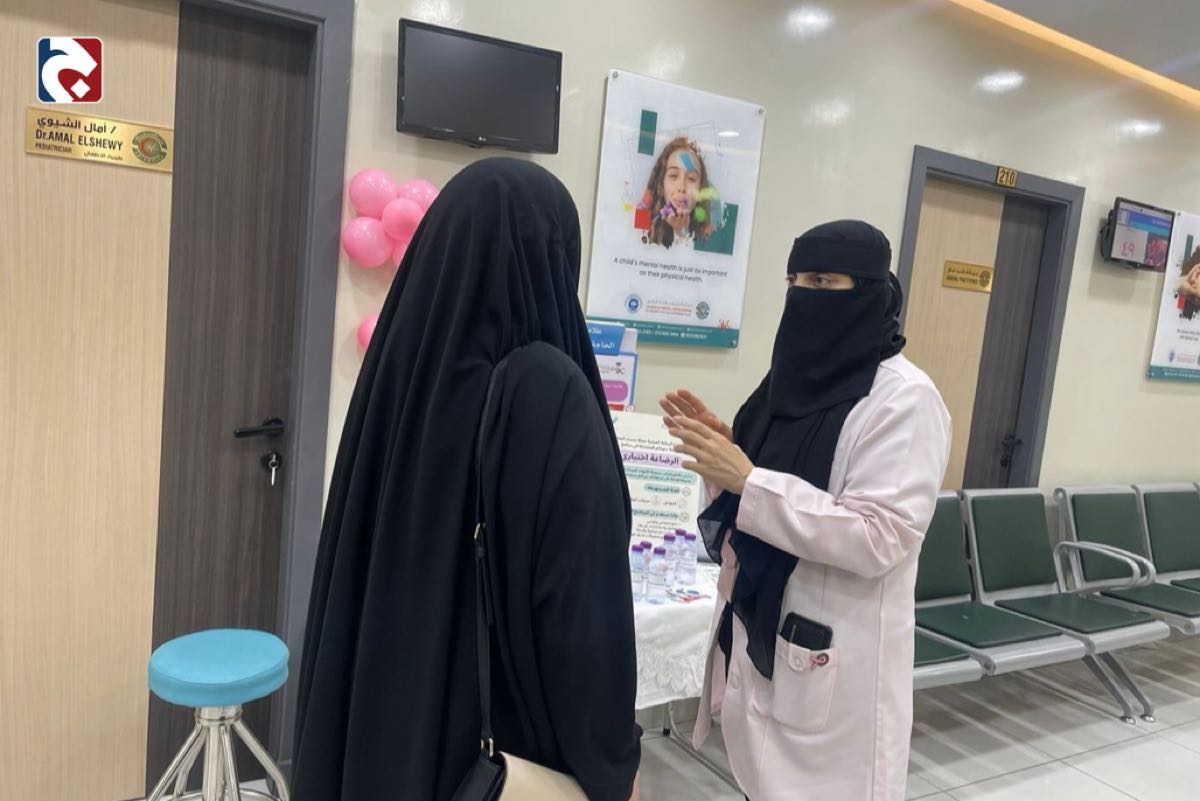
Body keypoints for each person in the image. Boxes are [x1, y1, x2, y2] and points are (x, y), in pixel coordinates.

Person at [293, 159, 641, 801]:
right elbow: (582, 625)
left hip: (384, 732)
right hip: (492, 764)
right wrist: (614, 768)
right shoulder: (548, 392)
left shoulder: (401, 381)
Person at [661, 220, 951, 801]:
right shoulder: (786, 383)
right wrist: (730, 455)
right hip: (766, 644)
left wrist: (749, 478)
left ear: (869, 289)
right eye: (795, 280)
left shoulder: (904, 399)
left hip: (837, 667)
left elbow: (880, 536)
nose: (803, 294)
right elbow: (758, 495)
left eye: (822, 280)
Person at [640, 136, 718, 249]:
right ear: (661, 185)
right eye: (673, 175)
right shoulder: (641, 228)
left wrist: (682, 234)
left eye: (691, 178)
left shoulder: (709, 238)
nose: (681, 187)